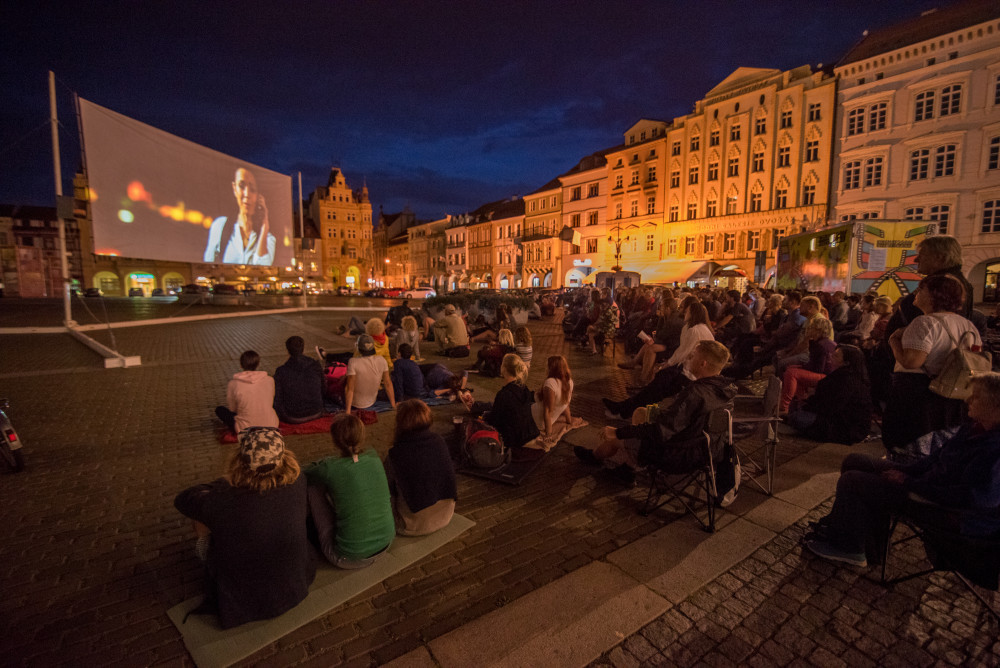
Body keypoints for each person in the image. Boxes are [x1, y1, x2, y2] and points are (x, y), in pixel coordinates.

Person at [804, 373, 1000, 568]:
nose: (968, 400)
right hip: (928, 483)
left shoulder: (994, 448)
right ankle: (852, 534)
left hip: (943, 508)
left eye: (977, 397)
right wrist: (906, 471)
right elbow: (935, 458)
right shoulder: (973, 428)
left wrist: (909, 482)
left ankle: (850, 548)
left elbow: (971, 498)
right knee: (855, 460)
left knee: (853, 481)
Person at [174, 427, 315, 628]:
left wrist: (225, 483)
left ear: (240, 461)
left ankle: (204, 551)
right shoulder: (298, 480)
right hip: (296, 587)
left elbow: (183, 500)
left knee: (200, 518)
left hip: (242, 601)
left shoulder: (221, 499)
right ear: (284, 457)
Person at [576, 341, 737, 484]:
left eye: (693, 356)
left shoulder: (696, 393)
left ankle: (597, 458)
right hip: (707, 450)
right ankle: (628, 468)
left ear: (703, 363)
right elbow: (684, 420)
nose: (689, 358)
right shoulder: (725, 390)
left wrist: (618, 432)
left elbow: (661, 432)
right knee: (640, 412)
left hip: (679, 453)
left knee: (614, 439)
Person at [882, 274, 982, 451]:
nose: (916, 293)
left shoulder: (925, 323)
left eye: (921, 289)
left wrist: (893, 341)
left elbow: (911, 362)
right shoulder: (968, 325)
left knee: (910, 445)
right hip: (952, 395)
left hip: (919, 395)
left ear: (935, 295)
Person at [305, 414, 395, 568]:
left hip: (348, 557)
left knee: (313, 487)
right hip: (386, 543)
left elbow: (305, 473)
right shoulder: (373, 456)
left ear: (335, 440)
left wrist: (323, 464)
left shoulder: (330, 468)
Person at [385, 400, 457, 536]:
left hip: (410, 525)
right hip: (446, 515)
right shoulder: (439, 441)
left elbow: (387, 492)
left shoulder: (396, 454)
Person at [786, 345, 873, 445]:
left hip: (845, 427)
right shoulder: (841, 376)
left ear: (846, 363)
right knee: (797, 411)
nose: (830, 357)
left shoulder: (847, 381)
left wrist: (809, 406)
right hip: (837, 420)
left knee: (797, 417)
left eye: (835, 356)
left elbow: (831, 407)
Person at [462, 353, 540, 449]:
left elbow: (495, 421)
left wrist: (483, 417)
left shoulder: (504, 394)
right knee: (490, 407)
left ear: (504, 369)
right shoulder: (524, 388)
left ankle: (475, 408)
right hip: (530, 432)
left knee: (475, 425)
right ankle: (475, 405)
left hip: (514, 439)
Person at [203, 167, 277, 265]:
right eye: (242, 186)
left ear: (258, 196)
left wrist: (264, 228)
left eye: (252, 189)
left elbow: (263, 267)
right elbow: (207, 265)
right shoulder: (220, 226)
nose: (247, 194)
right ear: (234, 188)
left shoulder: (268, 238)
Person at [779, 317, 837, 413]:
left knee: (792, 373)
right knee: (792, 369)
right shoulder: (824, 342)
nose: (808, 330)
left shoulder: (821, 345)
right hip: (825, 374)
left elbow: (819, 368)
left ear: (818, 330)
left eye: (811, 328)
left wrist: (802, 367)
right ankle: (799, 403)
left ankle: (784, 406)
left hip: (826, 376)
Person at [215, 350, 279, 433]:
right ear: (258, 364)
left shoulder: (233, 383)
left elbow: (233, 409)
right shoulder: (270, 380)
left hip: (245, 427)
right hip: (271, 424)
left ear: (241, 365)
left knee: (220, 410)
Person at [532, 355, 585, 441]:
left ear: (551, 368)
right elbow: (566, 404)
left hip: (536, 419)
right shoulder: (569, 382)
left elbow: (547, 411)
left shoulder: (550, 383)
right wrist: (569, 420)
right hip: (544, 417)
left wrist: (548, 434)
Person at [273, 336, 325, 424]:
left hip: (292, 416)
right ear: (303, 349)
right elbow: (323, 388)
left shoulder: (281, 371)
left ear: (287, 351)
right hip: (316, 411)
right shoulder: (315, 365)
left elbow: (277, 397)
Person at [391, 343, 468, 401]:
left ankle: (394, 374)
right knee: (410, 370)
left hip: (436, 367)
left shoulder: (450, 380)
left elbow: (465, 372)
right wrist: (461, 388)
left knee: (410, 370)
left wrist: (457, 389)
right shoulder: (447, 382)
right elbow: (432, 394)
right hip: (430, 371)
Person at [344, 334, 395, 414]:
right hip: (372, 401)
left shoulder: (353, 362)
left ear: (359, 348)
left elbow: (350, 389)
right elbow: (388, 384)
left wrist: (348, 411)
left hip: (356, 404)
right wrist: (393, 405)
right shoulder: (382, 360)